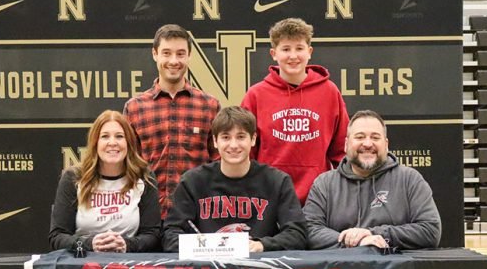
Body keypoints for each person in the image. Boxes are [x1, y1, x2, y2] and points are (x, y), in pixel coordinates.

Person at [162, 106, 307, 253]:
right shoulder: (192, 182)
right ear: (215, 141)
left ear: (253, 139)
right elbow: (170, 235)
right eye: (225, 137)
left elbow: (297, 234)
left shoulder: (277, 181)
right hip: (207, 264)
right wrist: (208, 247)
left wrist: (262, 245)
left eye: (241, 137)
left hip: (259, 263)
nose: (233, 145)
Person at [241, 17, 349, 205]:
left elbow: (342, 150)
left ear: (309, 52)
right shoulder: (256, 95)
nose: (293, 56)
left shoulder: (329, 92)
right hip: (268, 198)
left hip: (318, 199)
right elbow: (246, 151)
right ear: (274, 54)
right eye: (286, 49)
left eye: (299, 48)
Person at [303, 110, 441, 250]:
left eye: (375, 137)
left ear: (386, 145)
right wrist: (354, 241)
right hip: (339, 264)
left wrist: (375, 234)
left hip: (394, 264)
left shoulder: (410, 179)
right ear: (346, 144)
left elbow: (430, 230)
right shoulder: (324, 184)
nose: (368, 144)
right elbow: (308, 230)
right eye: (360, 137)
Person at [123, 24, 221, 220]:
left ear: (189, 56)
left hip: (198, 216)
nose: (174, 61)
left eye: (180, 54)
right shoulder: (135, 107)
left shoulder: (209, 105)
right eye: (166, 53)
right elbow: (126, 166)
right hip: (148, 217)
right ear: (155, 54)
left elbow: (219, 164)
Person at [49, 110, 161, 253]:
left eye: (119, 136)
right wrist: (90, 244)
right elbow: (57, 236)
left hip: (127, 261)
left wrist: (126, 244)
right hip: (83, 261)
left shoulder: (144, 177)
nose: (112, 143)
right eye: (105, 136)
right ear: (95, 143)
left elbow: (152, 234)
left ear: (129, 143)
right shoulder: (73, 178)